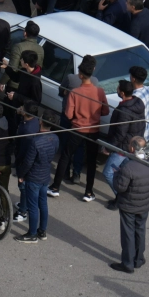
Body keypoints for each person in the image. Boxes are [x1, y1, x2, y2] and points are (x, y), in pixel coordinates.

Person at [56, 63, 107, 201]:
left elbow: (68, 114)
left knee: (65, 155)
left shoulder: (75, 92)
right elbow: (105, 111)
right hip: (94, 129)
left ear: (80, 75)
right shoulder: (100, 91)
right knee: (91, 161)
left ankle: (55, 187)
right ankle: (88, 192)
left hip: (77, 128)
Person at [110, 136, 149, 272]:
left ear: (132, 148)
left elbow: (120, 187)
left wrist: (116, 175)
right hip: (145, 204)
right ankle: (139, 259)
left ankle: (128, 263)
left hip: (129, 205)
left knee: (128, 234)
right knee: (140, 231)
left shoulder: (128, 167)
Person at [14, 101, 58, 243]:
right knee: (43, 204)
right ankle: (42, 231)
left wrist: (21, 175)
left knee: (33, 207)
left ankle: (32, 234)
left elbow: (28, 162)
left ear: (41, 121)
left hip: (33, 177)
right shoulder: (55, 138)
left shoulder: (36, 141)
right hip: (45, 175)